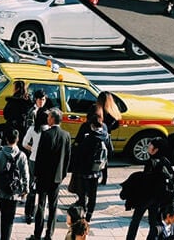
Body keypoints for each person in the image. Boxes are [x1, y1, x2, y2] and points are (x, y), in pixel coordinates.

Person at [34, 108, 73, 240]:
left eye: (49, 117)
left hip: (44, 176)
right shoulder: (66, 135)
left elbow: (39, 157)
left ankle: (37, 233)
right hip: (56, 177)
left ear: (52, 119)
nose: (47, 119)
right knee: (53, 206)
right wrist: (63, 174)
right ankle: (49, 233)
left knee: (41, 205)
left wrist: (36, 174)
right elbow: (68, 158)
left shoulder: (46, 134)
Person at [126, 137, 174, 240]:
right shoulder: (165, 161)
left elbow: (146, 182)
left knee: (135, 220)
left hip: (146, 198)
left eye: (150, 145)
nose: (148, 146)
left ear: (155, 149)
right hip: (157, 198)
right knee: (153, 222)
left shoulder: (151, 162)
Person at [69, 107, 112, 221]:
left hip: (84, 169)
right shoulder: (105, 129)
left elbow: (78, 148)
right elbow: (110, 148)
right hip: (97, 169)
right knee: (93, 193)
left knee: (82, 193)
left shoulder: (88, 135)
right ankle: (90, 214)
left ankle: (82, 213)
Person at [0, 127, 30, 240]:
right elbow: (25, 174)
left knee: (2, 215)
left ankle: (1, 235)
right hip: (15, 192)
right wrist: (25, 189)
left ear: (6, 140)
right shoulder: (22, 155)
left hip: (2, 191)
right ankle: (6, 237)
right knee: (10, 218)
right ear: (17, 139)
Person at [22, 90, 49, 224]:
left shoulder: (36, 127)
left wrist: (33, 149)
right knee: (38, 188)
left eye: (43, 99)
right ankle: (34, 214)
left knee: (33, 187)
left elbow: (24, 142)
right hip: (38, 159)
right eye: (40, 99)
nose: (41, 101)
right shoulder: (32, 113)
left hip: (34, 158)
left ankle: (30, 213)